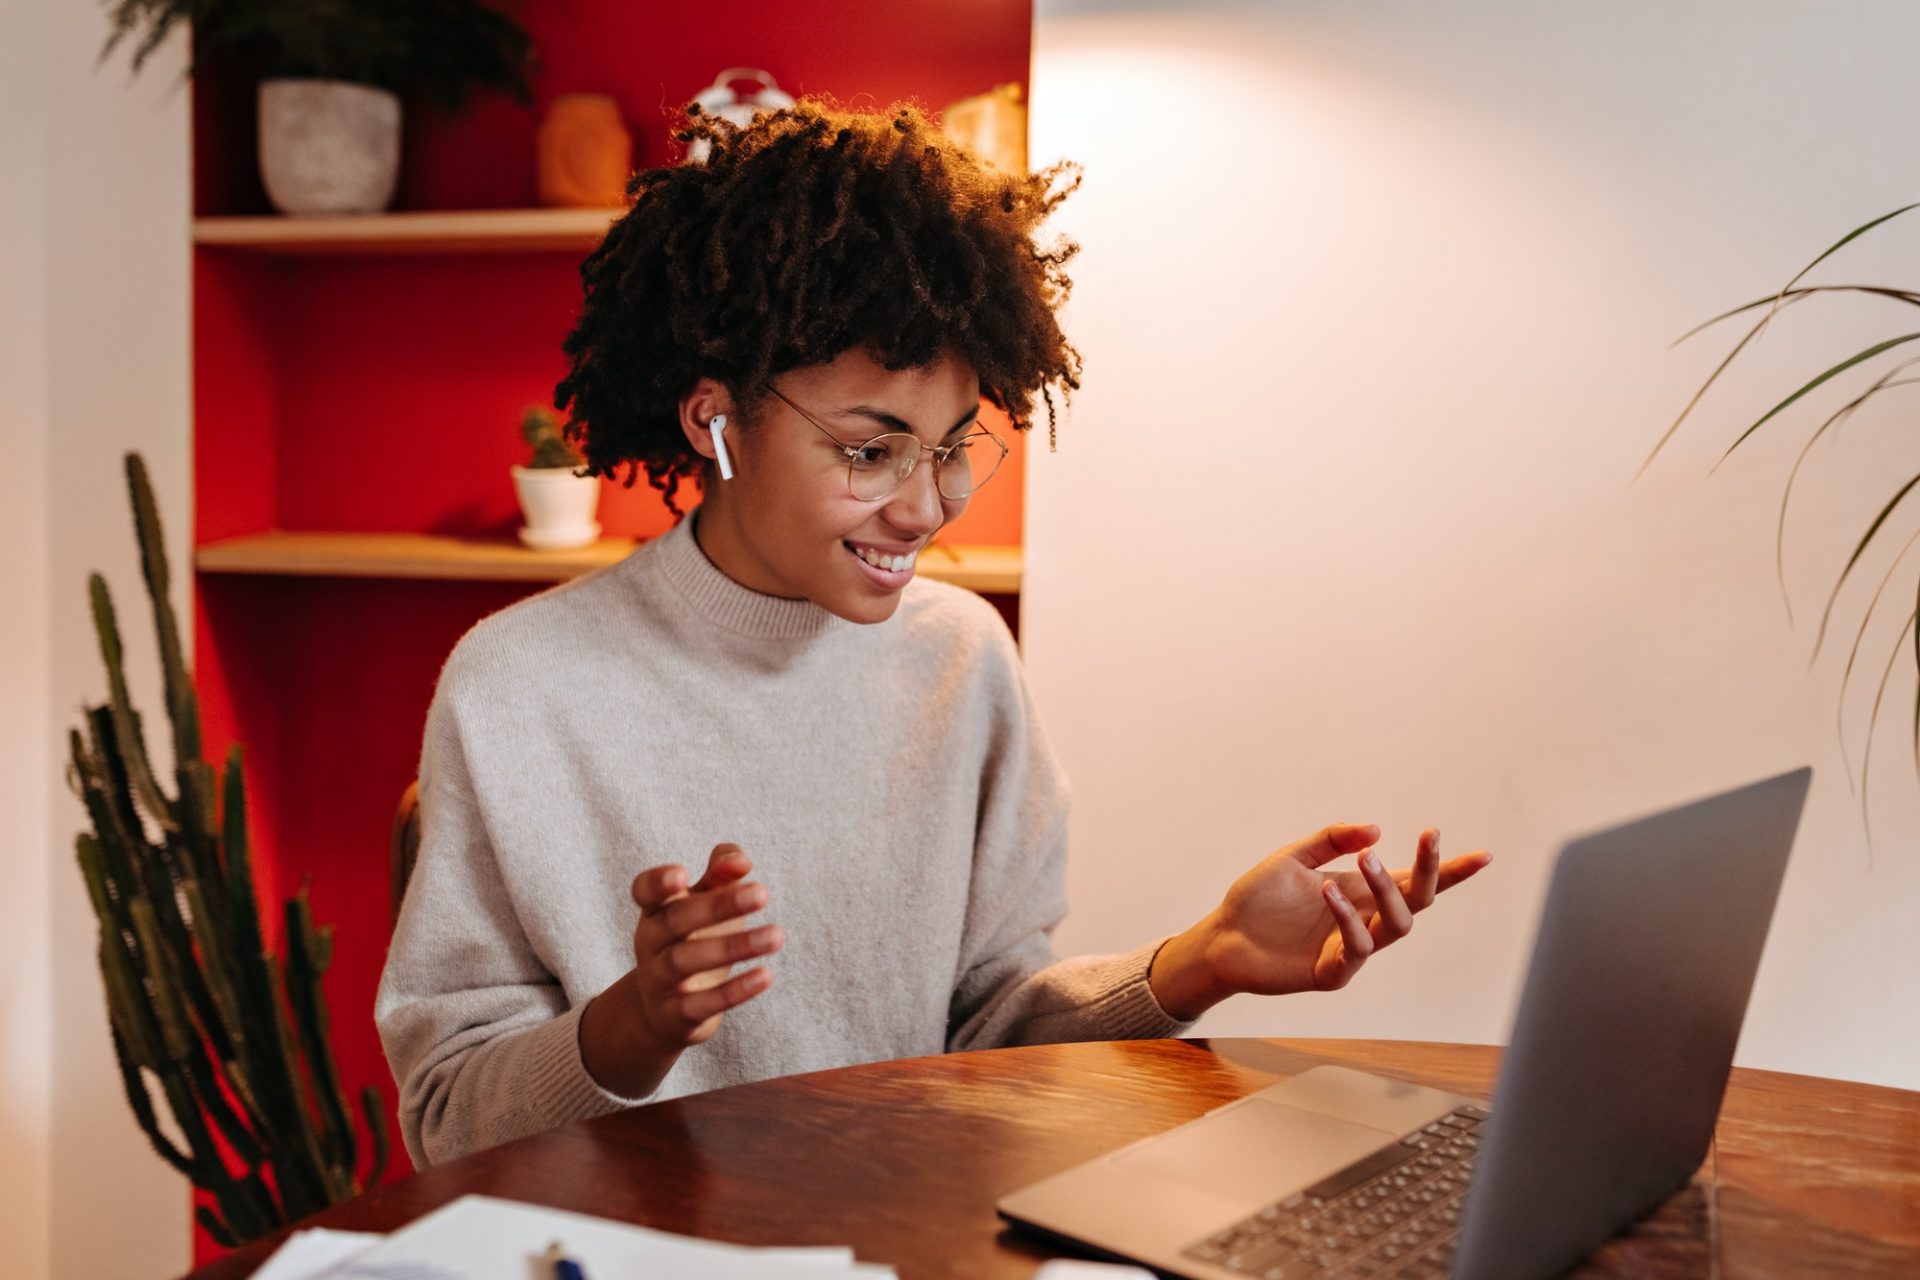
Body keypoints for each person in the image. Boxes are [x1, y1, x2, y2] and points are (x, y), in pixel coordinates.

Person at [375, 102, 1491, 1168]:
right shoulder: (521, 684)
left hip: (910, 1234)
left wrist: (1205, 959)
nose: (927, 502)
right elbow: (444, 1119)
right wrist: (636, 1021)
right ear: (715, 419)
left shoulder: (959, 656)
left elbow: (987, 1035)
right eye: (870, 451)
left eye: (954, 442)